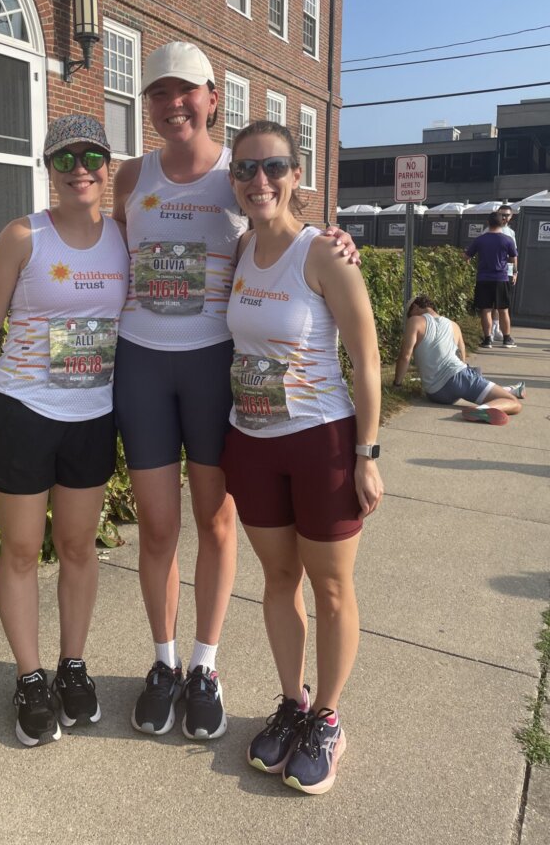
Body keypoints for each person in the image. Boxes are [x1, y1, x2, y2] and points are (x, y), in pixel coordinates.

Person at [112, 41, 360, 741]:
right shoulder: (130, 177)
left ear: (212, 96)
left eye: (184, 91)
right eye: (158, 92)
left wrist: (340, 244)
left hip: (215, 367)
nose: (171, 104)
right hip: (143, 365)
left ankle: (205, 666)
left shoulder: (238, 173)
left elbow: (285, 226)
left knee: (217, 522)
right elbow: (103, 247)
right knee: (158, 528)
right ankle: (162, 663)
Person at [219, 119, 383, 794]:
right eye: (247, 169)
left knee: (333, 588)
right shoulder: (238, 250)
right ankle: (292, 702)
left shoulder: (323, 253)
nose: (260, 181)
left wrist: (368, 454)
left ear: (296, 175)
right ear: (234, 180)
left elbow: (368, 359)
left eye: (274, 167)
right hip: (251, 443)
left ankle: (328, 719)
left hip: (322, 441)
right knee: (279, 579)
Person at [0, 115, 129, 747]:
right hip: (23, 409)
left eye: (91, 156)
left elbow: (217, 241)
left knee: (81, 548)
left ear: (107, 164)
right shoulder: (23, 237)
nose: (79, 169)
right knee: (21, 550)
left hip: (92, 415)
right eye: (65, 159)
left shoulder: (122, 235)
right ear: (49, 169)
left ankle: (73, 664)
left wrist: (326, 240)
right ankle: (30, 677)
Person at [393, 295, 525, 425]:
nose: (409, 318)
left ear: (415, 307)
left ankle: (506, 391)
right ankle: (481, 410)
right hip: (458, 378)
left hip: (436, 393)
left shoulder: (415, 321)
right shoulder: (454, 325)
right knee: (514, 403)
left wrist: (397, 384)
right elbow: (462, 358)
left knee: (474, 378)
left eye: (409, 314)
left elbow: (405, 355)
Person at [465, 211, 518, 349]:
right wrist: (513, 274)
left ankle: (488, 339)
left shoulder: (480, 239)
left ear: (488, 223)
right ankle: (507, 339)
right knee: (503, 309)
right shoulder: (508, 240)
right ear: (503, 222)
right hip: (501, 278)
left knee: (486, 309)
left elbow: (467, 256)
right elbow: (513, 258)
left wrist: (466, 259)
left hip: (483, 279)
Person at [490, 203, 517, 342]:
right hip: (492, 271)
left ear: (511, 216)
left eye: (507, 215)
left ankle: (497, 327)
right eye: (502, 215)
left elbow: (513, 256)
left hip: (505, 271)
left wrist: (514, 273)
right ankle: (493, 328)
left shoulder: (511, 233)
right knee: (493, 302)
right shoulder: (490, 230)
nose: (504, 217)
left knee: (502, 301)